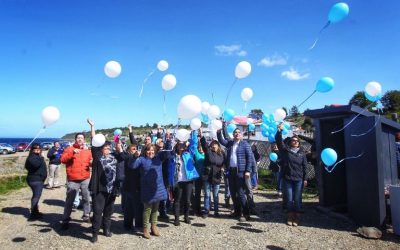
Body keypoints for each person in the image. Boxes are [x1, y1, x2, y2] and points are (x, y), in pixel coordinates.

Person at [88, 119, 122, 243]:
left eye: (108, 147)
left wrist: (118, 143)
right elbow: (94, 141)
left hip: (112, 189)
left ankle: (106, 230)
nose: (107, 149)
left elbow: (123, 155)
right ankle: (94, 233)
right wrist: (92, 126)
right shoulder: (97, 157)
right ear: (101, 149)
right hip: (99, 189)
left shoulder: (114, 156)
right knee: (98, 212)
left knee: (109, 211)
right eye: (105, 148)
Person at [132, 143, 173, 239]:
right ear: (145, 151)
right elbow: (133, 166)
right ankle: (145, 229)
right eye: (148, 150)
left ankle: (154, 227)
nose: (151, 152)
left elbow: (169, 154)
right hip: (147, 189)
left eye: (152, 150)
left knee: (155, 209)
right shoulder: (141, 159)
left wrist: (166, 144)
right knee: (147, 210)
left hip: (158, 188)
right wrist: (134, 157)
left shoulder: (158, 158)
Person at [217, 124, 253, 222]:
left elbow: (249, 159)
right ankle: (237, 212)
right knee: (233, 192)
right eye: (235, 133)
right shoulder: (230, 143)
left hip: (240, 172)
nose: (237, 134)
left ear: (241, 135)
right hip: (230, 171)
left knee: (241, 193)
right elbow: (221, 140)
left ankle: (246, 213)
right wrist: (218, 132)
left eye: (238, 133)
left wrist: (248, 171)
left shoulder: (245, 144)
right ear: (233, 135)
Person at [275, 123, 308, 227]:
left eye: (297, 141)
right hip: (288, 178)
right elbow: (279, 142)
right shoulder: (286, 151)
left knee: (297, 199)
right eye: (293, 140)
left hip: (299, 179)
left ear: (299, 143)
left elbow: (305, 166)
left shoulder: (302, 153)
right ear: (290, 142)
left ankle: (296, 217)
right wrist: (279, 131)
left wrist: (305, 179)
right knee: (289, 199)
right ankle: (289, 216)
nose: (295, 142)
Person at [61, 130, 92, 229]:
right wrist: (72, 153)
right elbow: (63, 160)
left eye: (81, 138)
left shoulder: (88, 151)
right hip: (73, 179)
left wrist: (92, 163)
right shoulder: (69, 149)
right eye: (78, 138)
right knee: (69, 200)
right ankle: (65, 219)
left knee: (86, 198)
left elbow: (90, 162)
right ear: (75, 140)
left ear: (84, 140)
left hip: (85, 178)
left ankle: (86, 216)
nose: (80, 139)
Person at [168, 138, 199, 226]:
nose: (181, 146)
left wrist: (194, 132)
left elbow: (194, 145)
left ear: (185, 146)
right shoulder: (173, 156)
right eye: (179, 145)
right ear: (177, 146)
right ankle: (176, 218)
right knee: (177, 200)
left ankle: (186, 216)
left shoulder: (188, 154)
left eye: (183, 145)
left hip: (188, 181)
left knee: (188, 200)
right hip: (178, 181)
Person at [118, 124, 142, 231]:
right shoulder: (127, 156)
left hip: (138, 186)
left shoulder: (140, 157)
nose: (135, 150)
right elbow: (121, 153)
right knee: (129, 208)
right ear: (128, 150)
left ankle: (139, 225)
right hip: (128, 186)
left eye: (136, 149)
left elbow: (134, 143)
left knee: (138, 207)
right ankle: (127, 225)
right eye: (133, 149)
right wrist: (118, 144)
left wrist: (131, 131)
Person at [200, 131, 225, 218]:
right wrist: (201, 134)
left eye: (215, 144)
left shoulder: (222, 154)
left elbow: (224, 163)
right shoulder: (208, 152)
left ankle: (216, 211)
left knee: (216, 195)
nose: (214, 146)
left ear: (218, 146)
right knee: (207, 195)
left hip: (217, 178)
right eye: (212, 144)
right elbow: (204, 144)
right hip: (207, 176)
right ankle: (206, 211)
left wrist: (223, 168)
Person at [25, 143, 47, 221]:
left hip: (37, 179)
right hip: (35, 180)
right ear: (32, 149)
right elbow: (36, 165)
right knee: (36, 196)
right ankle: (33, 215)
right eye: (35, 149)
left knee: (36, 196)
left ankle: (35, 212)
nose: (38, 150)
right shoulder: (32, 157)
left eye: (39, 149)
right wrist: (42, 158)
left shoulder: (36, 156)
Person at [189, 130, 205, 217]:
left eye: (202, 146)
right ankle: (195, 209)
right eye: (200, 146)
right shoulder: (196, 152)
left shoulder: (206, 154)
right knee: (195, 194)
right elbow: (193, 146)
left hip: (204, 177)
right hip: (196, 176)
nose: (201, 147)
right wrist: (194, 133)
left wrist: (201, 136)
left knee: (202, 194)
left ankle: (201, 209)